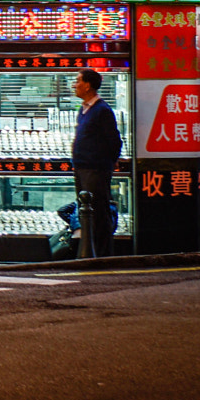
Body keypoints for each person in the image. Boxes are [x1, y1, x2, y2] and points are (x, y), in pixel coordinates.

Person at [71, 68, 121, 260]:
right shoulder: (84, 110)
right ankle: (89, 251)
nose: (74, 85)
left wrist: (105, 164)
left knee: (99, 212)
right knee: (86, 212)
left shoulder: (102, 110)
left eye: (78, 81)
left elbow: (114, 141)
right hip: (82, 168)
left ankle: (102, 254)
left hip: (96, 169)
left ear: (88, 85)